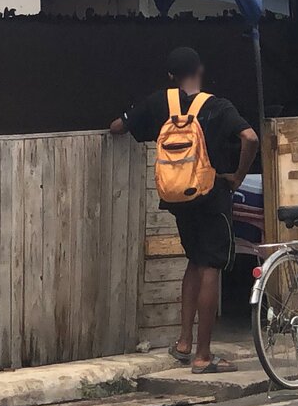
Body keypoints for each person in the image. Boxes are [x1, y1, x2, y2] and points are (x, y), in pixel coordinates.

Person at [110, 47, 259, 374]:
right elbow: (250, 137)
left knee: (194, 261)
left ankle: (183, 343)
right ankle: (204, 357)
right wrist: (238, 175)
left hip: (177, 198)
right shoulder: (218, 106)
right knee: (210, 268)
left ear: (170, 77)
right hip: (211, 195)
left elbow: (117, 127)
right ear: (200, 69)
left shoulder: (159, 103)